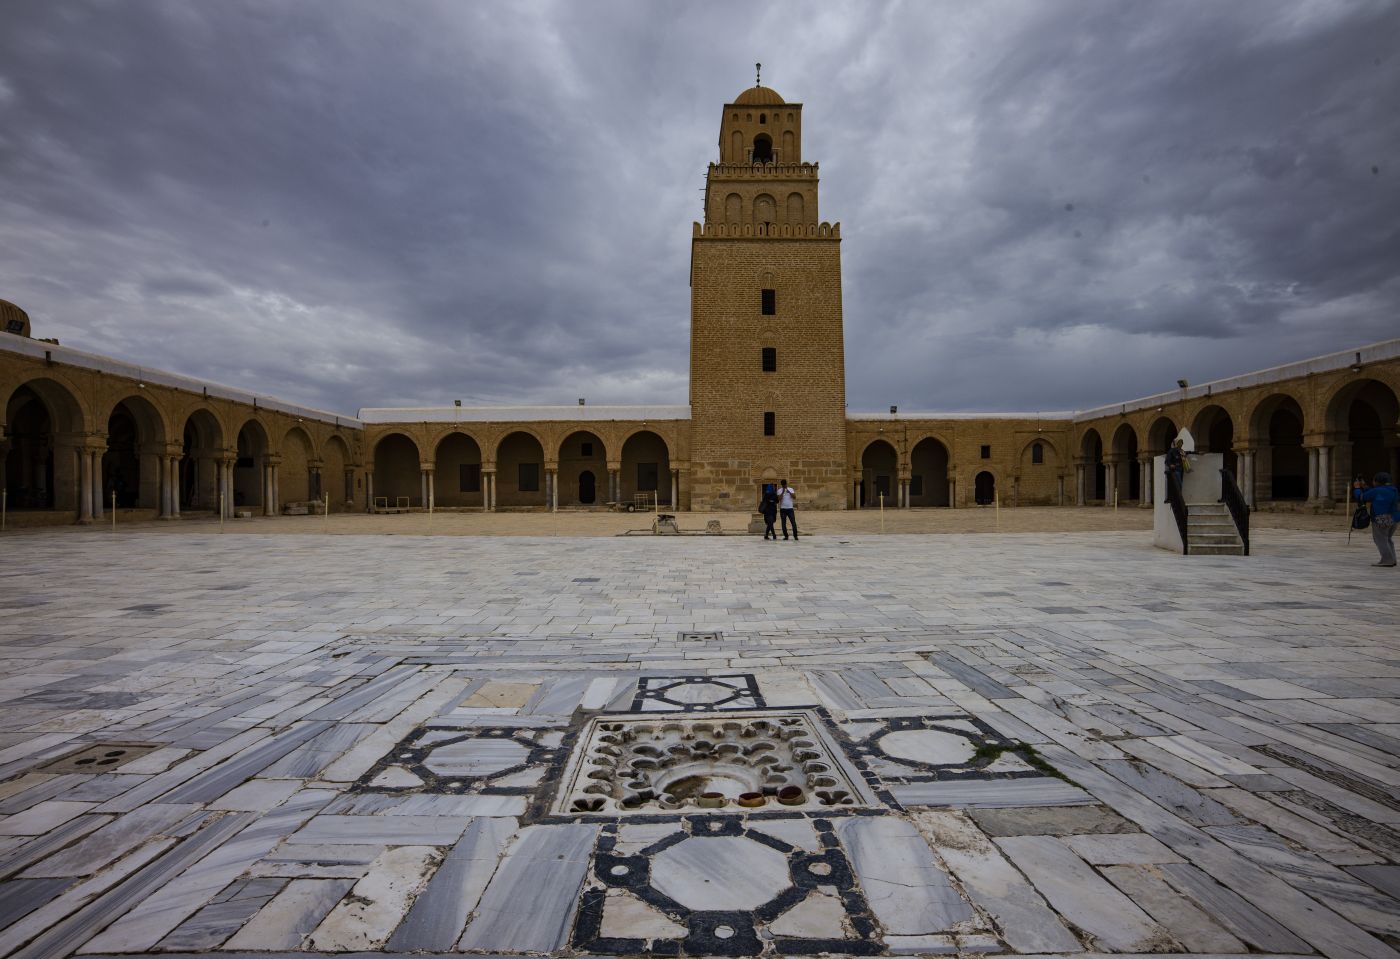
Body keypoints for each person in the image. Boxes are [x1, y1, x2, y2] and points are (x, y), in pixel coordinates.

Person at [1353, 472, 1398, 567]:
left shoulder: (1377, 491)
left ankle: (1387, 560)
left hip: (1381, 519)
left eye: (1374, 480)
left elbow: (1361, 497)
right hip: (1394, 519)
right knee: (1387, 539)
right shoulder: (1393, 489)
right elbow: (1375, 493)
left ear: (1378, 482)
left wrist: (1357, 488)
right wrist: (1364, 486)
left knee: (1380, 540)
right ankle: (1392, 559)